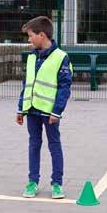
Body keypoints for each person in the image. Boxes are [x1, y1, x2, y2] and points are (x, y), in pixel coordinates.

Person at [16, 16, 72, 198]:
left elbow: (64, 88)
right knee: (34, 144)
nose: (29, 40)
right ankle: (32, 182)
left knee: (54, 145)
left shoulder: (61, 57)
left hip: (50, 113)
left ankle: (57, 183)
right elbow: (27, 85)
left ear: (42, 35)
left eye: (31, 36)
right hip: (31, 110)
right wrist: (20, 109)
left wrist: (57, 111)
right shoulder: (31, 57)